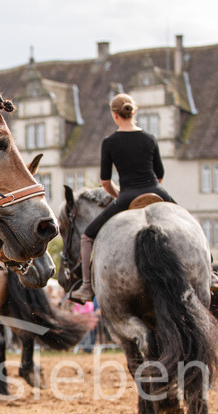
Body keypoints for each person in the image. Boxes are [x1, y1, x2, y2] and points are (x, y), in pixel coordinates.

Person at [70, 93, 174, 304]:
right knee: (191, 223)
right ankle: (210, 274)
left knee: (87, 237)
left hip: (127, 195)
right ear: (133, 112)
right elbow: (160, 174)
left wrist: (121, 197)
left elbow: (106, 182)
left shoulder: (109, 142)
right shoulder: (150, 138)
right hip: (156, 191)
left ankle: (87, 287)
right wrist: (150, 193)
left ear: (114, 115)